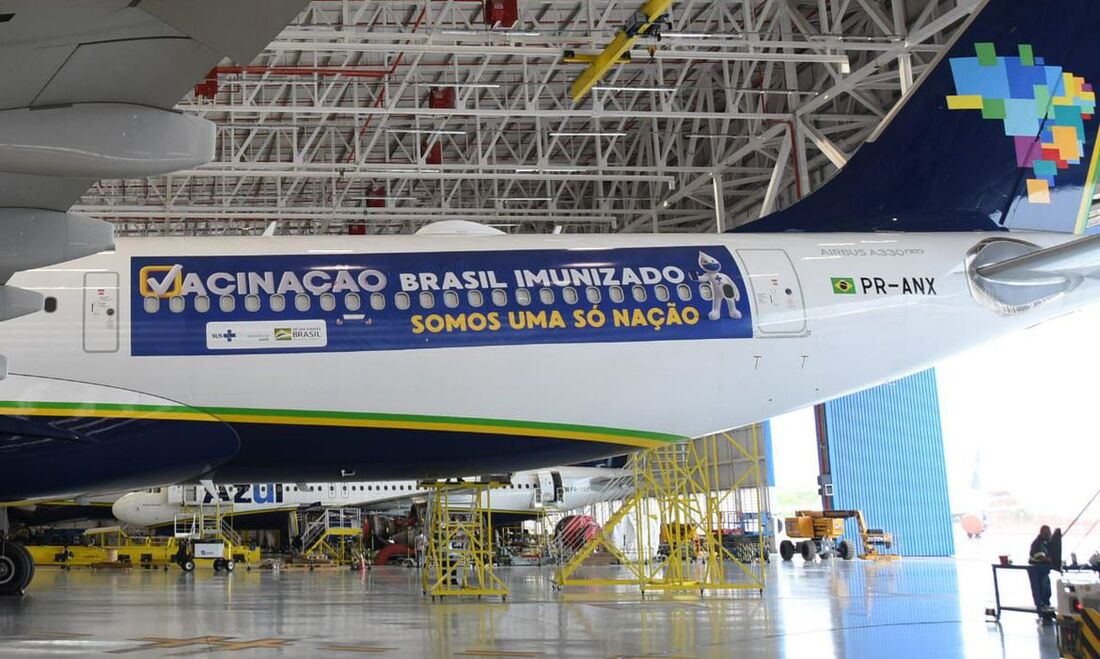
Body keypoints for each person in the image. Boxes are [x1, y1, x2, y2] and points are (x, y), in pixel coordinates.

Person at [1028, 525, 1054, 614]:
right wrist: (1052, 561)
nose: (1049, 535)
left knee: (1046, 590)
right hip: (1036, 570)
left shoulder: (1046, 543)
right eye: (1047, 533)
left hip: (1043, 571)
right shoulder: (1037, 543)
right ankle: (1041, 611)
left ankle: (1047, 608)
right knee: (1039, 592)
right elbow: (1040, 557)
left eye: (1049, 533)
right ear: (1042, 533)